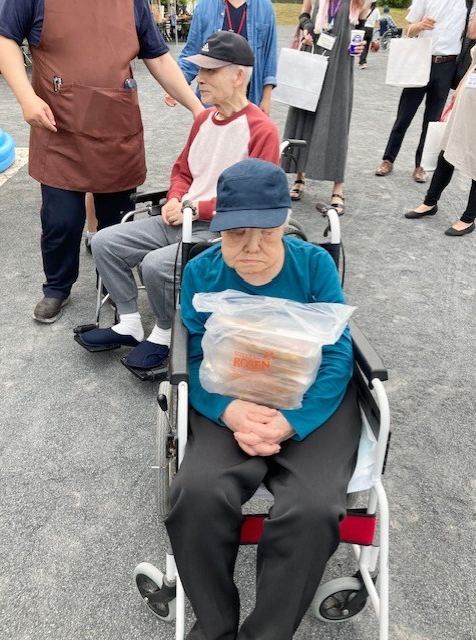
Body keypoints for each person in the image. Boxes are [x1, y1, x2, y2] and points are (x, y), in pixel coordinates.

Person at [165, 158, 361, 640]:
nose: (252, 247)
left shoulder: (313, 265)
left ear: (284, 224)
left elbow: (338, 353)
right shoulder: (202, 271)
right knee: (197, 494)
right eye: (236, 234)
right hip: (230, 392)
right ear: (219, 228)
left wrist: (294, 419)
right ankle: (215, 628)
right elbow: (193, 353)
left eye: (266, 234)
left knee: (313, 508)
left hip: (310, 396)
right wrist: (227, 411)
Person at [77, 32, 280, 370]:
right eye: (200, 69)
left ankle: (166, 331)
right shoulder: (203, 120)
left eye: (210, 71)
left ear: (238, 76)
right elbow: (183, 170)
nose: (199, 78)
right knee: (104, 242)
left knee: (156, 265)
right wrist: (174, 198)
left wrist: (195, 208)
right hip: (181, 216)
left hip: (222, 230)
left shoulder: (262, 130)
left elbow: (256, 200)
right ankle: (129, 322)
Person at [0, 0, 203, 324]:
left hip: (116, 128)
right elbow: (3, 36)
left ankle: (113, 286)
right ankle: (57, 287)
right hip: (59, 127)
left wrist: (197, 108)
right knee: (61, 221)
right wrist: (26, 97)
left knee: (116, 224)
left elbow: (159, 57)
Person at [281, 0, 371, 214]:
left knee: (337, 117)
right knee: (305, 112)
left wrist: (362, 43)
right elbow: (304, 14)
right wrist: (307, 28)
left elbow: (362, 28)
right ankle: (300, 176)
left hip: (341, 60)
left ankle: (338, 187)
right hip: (313, 51)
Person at [375, 0, 468, 184]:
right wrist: (420, 25)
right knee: (404, 116)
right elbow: (409, 30)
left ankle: (421, 166)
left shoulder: (468, 3)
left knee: (432, 121)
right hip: (420, 61)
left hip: (447, 65)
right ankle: (388, 159)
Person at [404, 14, 476, 237]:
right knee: (447, 151)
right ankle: (430, 202)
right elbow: (472, 36)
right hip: (468, 99)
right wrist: (459, 89)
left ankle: (468, 218)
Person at [163, 0, 277, 115]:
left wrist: (266, 99)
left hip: (249, 98)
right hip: (213, 102)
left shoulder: (264, 7)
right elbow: (192, 51)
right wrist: (176, 84)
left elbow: (269, 57)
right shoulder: (204, 6)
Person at [358, 1, 380, 69]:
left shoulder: (364, 7)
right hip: (370, 29)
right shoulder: (376, 10)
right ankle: (364, 61)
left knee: (362, 44)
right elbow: (377, 20)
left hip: (363, 27)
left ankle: (362, 62)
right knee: (367, 46)